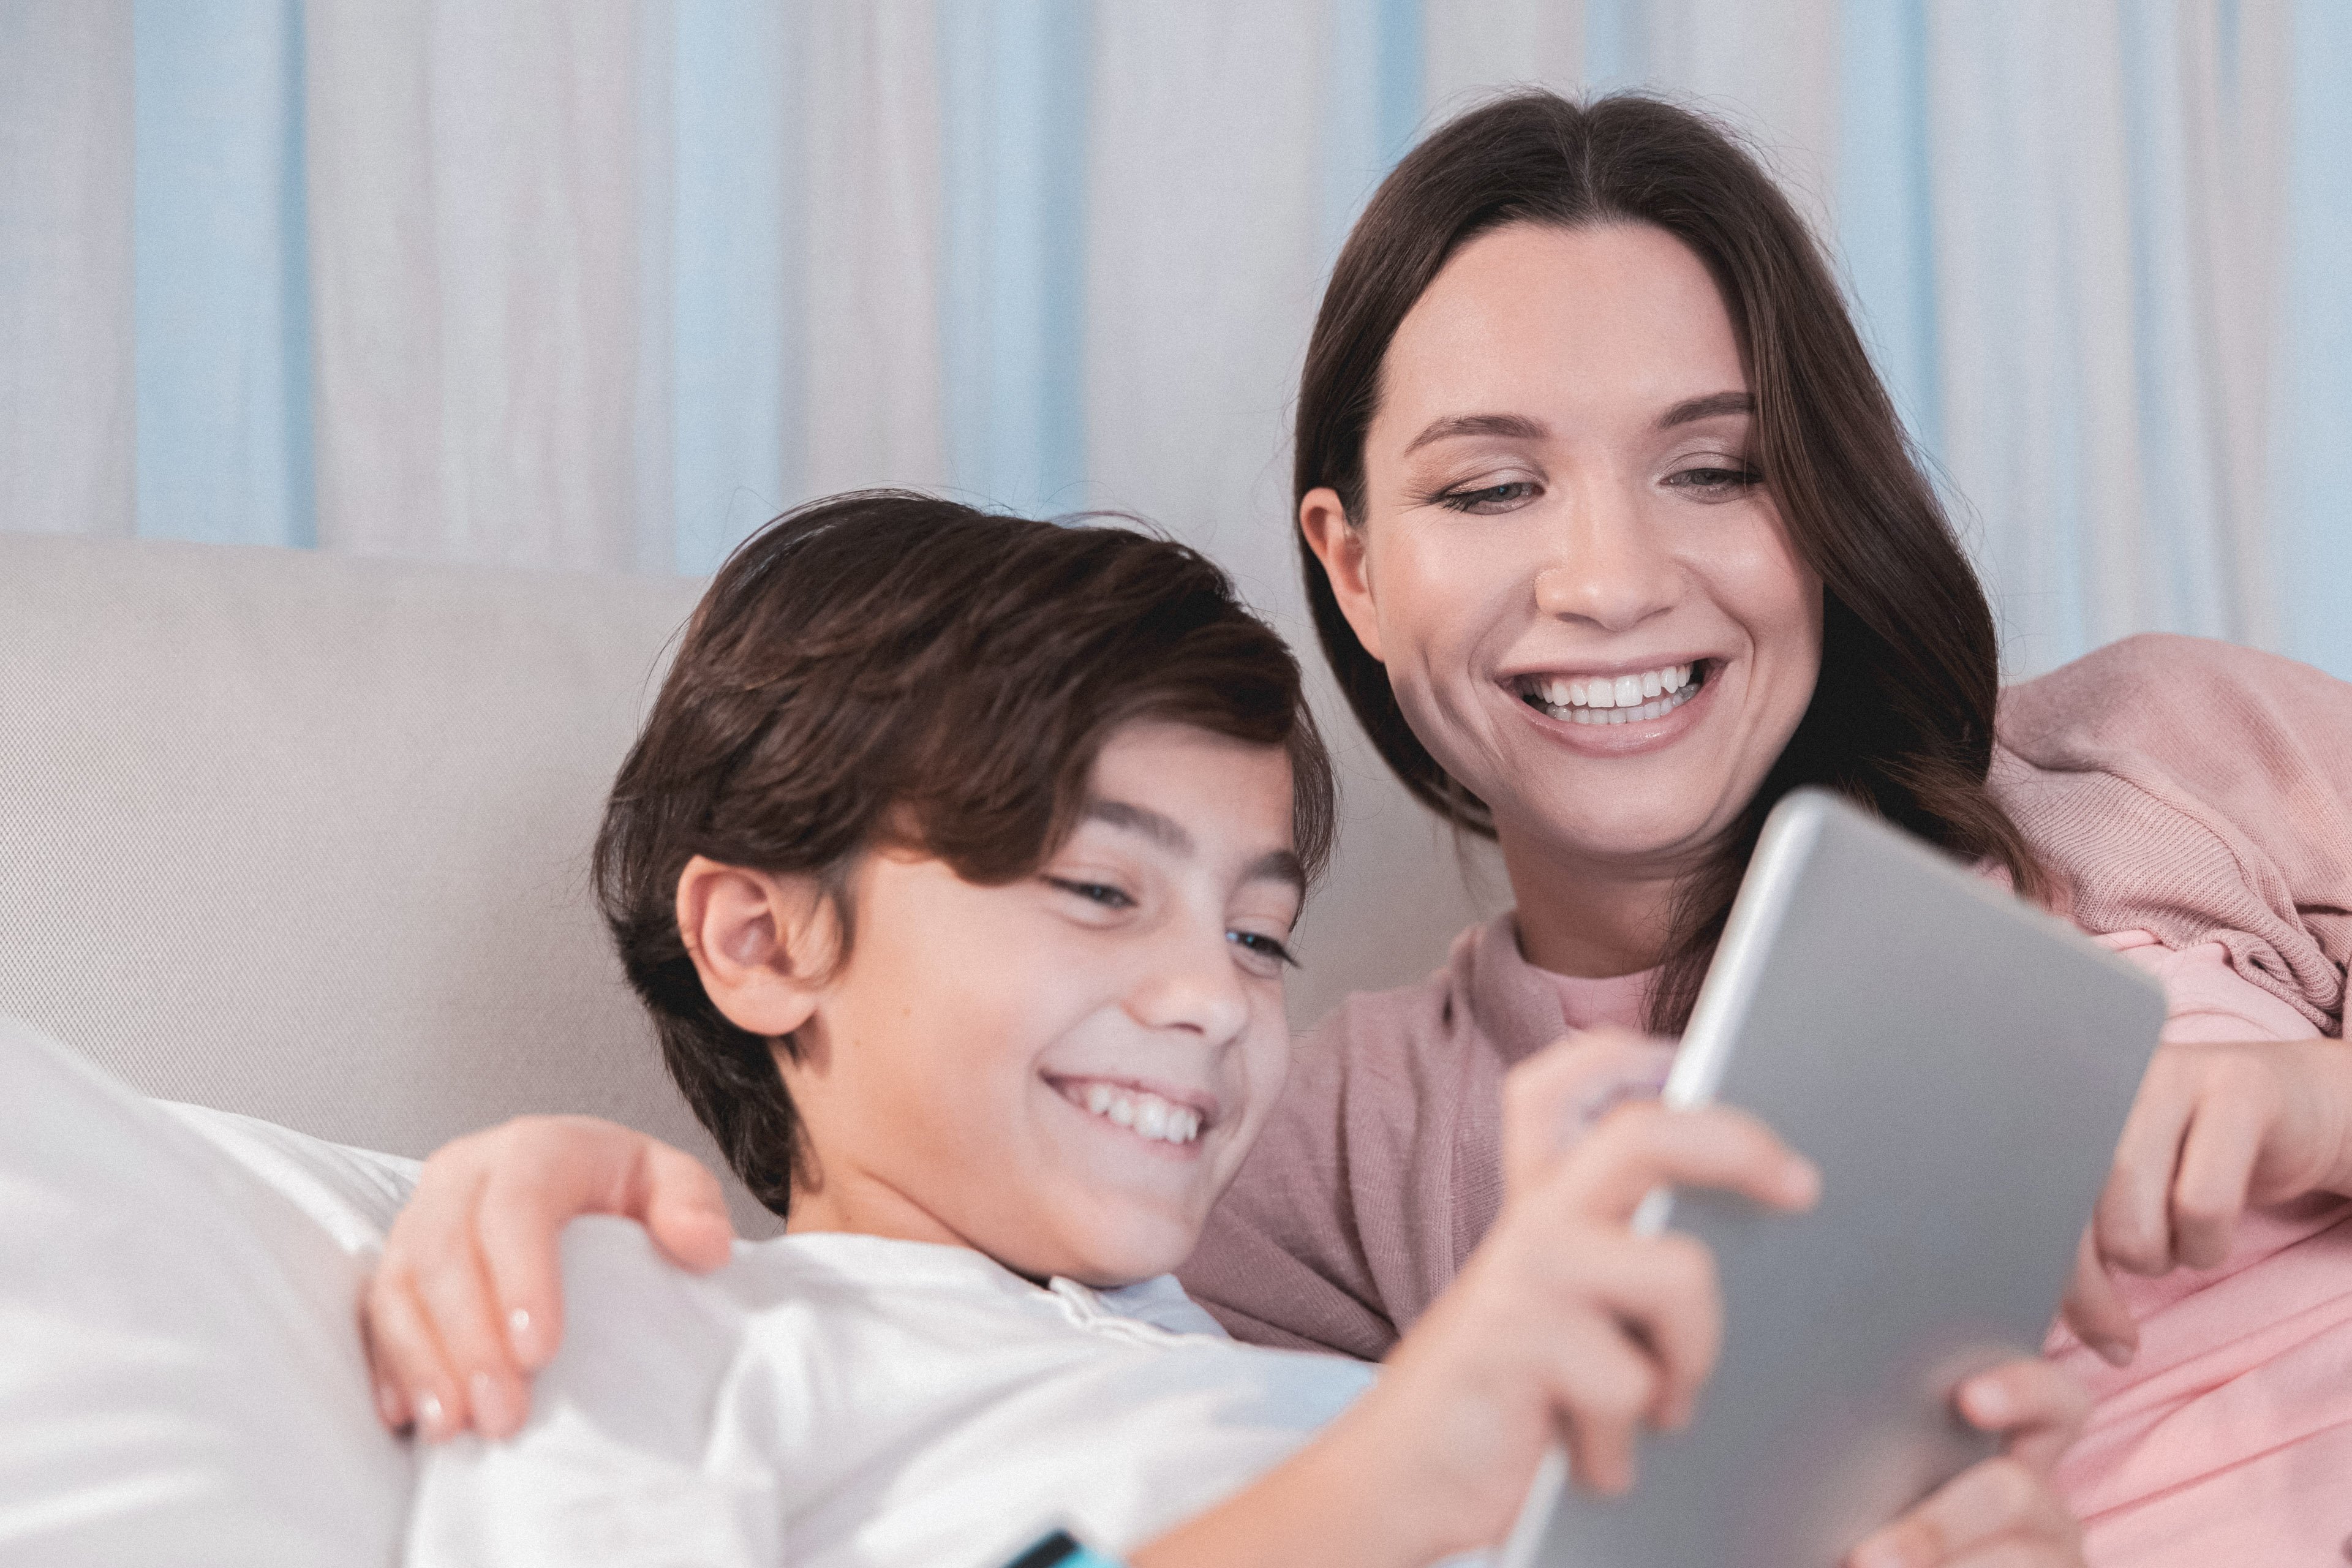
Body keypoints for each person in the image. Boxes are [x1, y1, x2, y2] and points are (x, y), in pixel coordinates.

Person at [369, 92, 2352, 1563]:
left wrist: (2313, 1108)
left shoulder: (2148, 756)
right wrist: (514, 1191)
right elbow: (909, 1204)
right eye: (1492, 490)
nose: (1608, 579)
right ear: (1357, 564)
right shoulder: (1304, 1155)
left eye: (1718, 468)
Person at [391, 491, 2087, 1568]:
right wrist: (1417, 1467)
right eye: (1097, 891)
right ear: (763, 943)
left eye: (1262, 933)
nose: (1216, 997)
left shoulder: (1289, 1378)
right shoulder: (661, 1340)